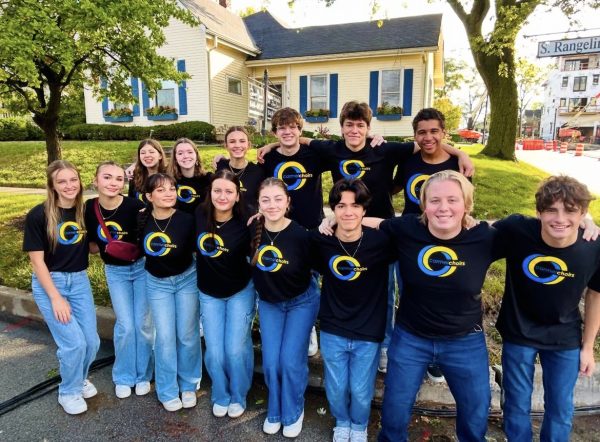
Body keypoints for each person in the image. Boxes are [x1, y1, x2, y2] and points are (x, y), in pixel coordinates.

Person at [370, 171, 499, 442]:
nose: (443, 208)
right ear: (424, 205)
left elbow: (541, 227)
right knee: (394, 408)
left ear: (466, 204)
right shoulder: (408, 229)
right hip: (411, 337)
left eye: (453, 200)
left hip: (465, 339)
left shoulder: (484, 237)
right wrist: (337, 218)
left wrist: (581, 219)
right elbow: (372, 222)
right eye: (435, 200)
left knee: (477, 409)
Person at [494, 175, 600, 441]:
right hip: (519, 331)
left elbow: (596, 296)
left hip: (564, 336)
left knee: (561, 406)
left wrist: (587, 347)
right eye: (551, 209)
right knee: (517, 403)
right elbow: (474, 236)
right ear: (538, 212)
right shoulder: (518, 230)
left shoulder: (593, 246)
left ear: (584, 213)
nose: (560, 218)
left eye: (570, 210)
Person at [312, 179, 394, 442]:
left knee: (360, 389)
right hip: (334, 326)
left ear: (364, 210)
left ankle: (359, 424)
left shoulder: (381, 242)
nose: (348, 212)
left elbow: (414, 228)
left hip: (368, 329)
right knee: (336, 387)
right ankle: (342, 420)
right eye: (341, 206)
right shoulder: (322, 240)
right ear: (332, 210)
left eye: (355, 206)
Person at [392, 107, 470, 381]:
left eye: (434, 131)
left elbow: (465, 203)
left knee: (441, 290)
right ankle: (413, 349)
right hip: (412, 237)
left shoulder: (456, 165)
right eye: (422, 132)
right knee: (408, 289)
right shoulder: (410, 161)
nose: (428, 137)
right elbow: (394, 187)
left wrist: (460, 153)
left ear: (443, 132)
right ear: (415, 135)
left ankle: (439, 355)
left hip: (447, 239)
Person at [23, 160, 100, 414]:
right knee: (74, 344)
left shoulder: (83, 211)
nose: (69, 186)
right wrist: (55, 298)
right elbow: (37, 262)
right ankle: (68, 391)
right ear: (52, 186)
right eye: (62, 181)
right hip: (51, 283)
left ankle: (79, 378)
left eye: (73, 180)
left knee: (91, 342)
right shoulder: (39, 215)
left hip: (79, 281)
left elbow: (90, 246)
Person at [251, 178, 320, 438]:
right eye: (265, 199)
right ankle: (275, 408)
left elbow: (318, 269)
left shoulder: (301, 235)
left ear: (288, 202)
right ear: (258, 203)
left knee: (290, 361)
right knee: (271, 363)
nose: (272, 205)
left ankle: (293, 410)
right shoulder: (253, 229)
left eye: (278, 199)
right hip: (270, 303)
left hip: (301, 302)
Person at [84, 161, 153, 399]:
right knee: (125, 325)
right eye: (107, 177)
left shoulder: (136, 206)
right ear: (95, 181)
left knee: (143, 324)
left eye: (118, 178)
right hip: (116, 272)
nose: (113, 183)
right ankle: (123, 376)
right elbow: (93, 247)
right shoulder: (88, 209)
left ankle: (143, 374)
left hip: (142, 268)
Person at [195, 169, 256, 419]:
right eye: (217, 190)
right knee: (215, 351)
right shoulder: (199, 214)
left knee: (234, 348)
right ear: (210, 193)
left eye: (229, 191)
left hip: (239, 290)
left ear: (237, 196)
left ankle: (238, 394)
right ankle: (221, 393)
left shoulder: (248, 219)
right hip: (209, 292)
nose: (222, 196)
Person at [137, 173, 201, 412]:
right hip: (157, 283)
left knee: (187, 334)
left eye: (172, 189)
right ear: (149, 196)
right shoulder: (141, 219)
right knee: (164, 337)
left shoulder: (186, 219)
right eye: (161, 190)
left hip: (186, 279)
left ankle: (189, 385)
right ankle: (166, 388)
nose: (169, 194)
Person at [216, 126, 265, 216]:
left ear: (249, 145)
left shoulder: (258, 172)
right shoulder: (220, 166)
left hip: (248, 224)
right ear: (226, 145)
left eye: (242, 141)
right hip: (223, 222)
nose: (237, 145)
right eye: (232, 141)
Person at [167, 138, 212, 215]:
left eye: (190, 152)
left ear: (196, 156)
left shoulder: (209, 179)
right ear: (175, 159)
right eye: (180, 153)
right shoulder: (168, 181)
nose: (185, 156)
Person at [128, 139, 167, 203]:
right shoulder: (135, 176)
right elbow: (131, 201)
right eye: (143, 153)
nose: (147, 155)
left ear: (160, 155)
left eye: (151, 152)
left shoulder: (169, 174)